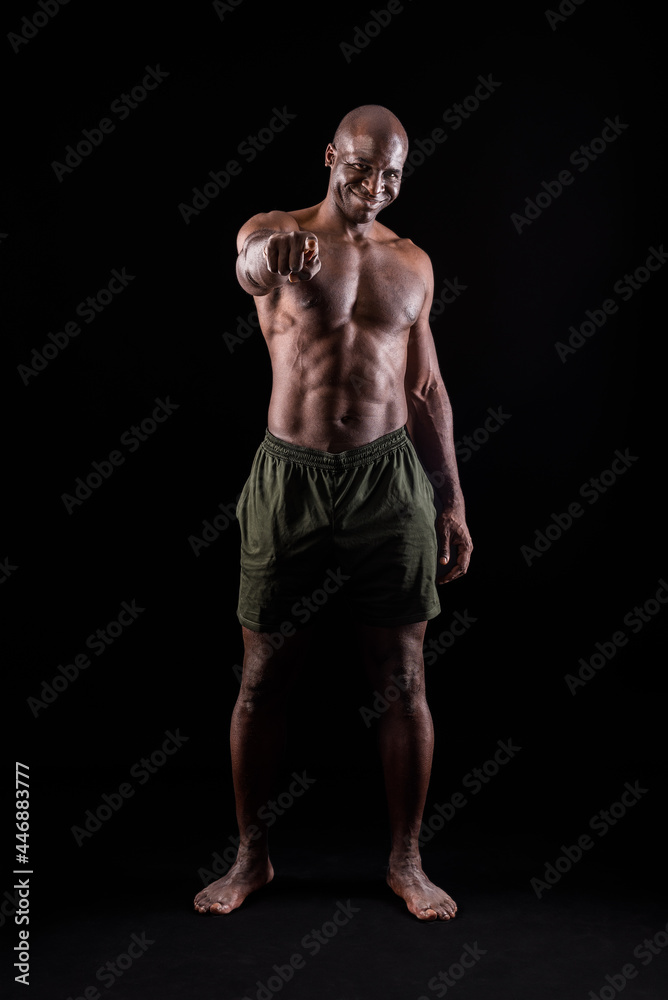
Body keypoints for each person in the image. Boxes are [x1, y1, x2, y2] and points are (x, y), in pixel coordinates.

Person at [194, 105, 473, 922]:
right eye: (360, 169)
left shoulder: (412, 263)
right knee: (262, 679)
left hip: (390, 483)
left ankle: (406, 860)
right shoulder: (275, 232)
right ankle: (251, 857)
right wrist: (265, 260)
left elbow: (424, 387)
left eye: (391, 174)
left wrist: (450, 497)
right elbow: (246, 267)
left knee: (405, 681)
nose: (375, 187)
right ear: (329, 156)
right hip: (290, 476)